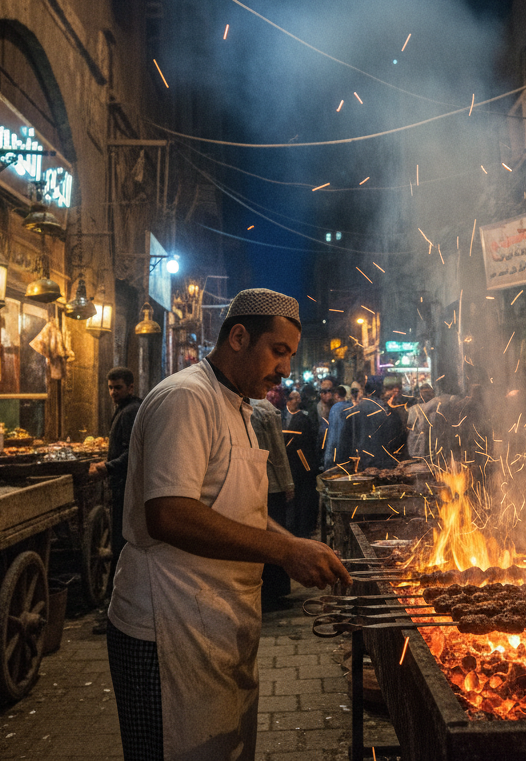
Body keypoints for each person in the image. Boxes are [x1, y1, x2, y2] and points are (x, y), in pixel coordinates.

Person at [106, 289, 349, 761]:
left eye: (290, 355)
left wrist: (295, 543)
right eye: (278, 351)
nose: (285, 368)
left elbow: (236, 513)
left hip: (211, 624)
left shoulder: (237, 404)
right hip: (164, 628)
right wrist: (283, 553)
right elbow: (169, 513)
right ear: (238, 336)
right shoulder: (186, 398)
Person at [89, 366, 143, 631]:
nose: (113, 393)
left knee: (123, 549)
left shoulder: (131, 412)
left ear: (130, 387)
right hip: (122, 486)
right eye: (110, 388)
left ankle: (118, 615)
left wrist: (106, 467)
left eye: (118, 387)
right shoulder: (124, 410)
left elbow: (133, 453)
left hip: (126, 489)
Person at [249, 396, 294, 611]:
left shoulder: (243, 409)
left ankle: (263, 591)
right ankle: (274, 592)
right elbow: (278, 450)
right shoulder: (265, 411)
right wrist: (288, 483)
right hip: (272, 484)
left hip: (251, 484)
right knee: (276, 537)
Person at [336, 377, 407, 470]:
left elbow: (344, 441)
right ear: (382, 390)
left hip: (361, 464)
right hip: (385, 465)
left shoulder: (353, 411)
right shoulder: (388, 412)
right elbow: (398, 441)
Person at [283, 389, 320, 538]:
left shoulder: (302, 419)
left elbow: (308, 444)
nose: (296, 401)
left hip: (301, 467)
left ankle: (300, 529)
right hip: (291, 466)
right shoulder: (282, 416)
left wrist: (308, 467)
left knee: (301, 499)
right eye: (293, 398)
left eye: (297, 398)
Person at [323, 385, 352, 469]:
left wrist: (328, 460)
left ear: (336, 395)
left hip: (338, 456)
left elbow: (334, 436)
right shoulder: (352, 407)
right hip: (349, 455)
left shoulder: (336, 409)